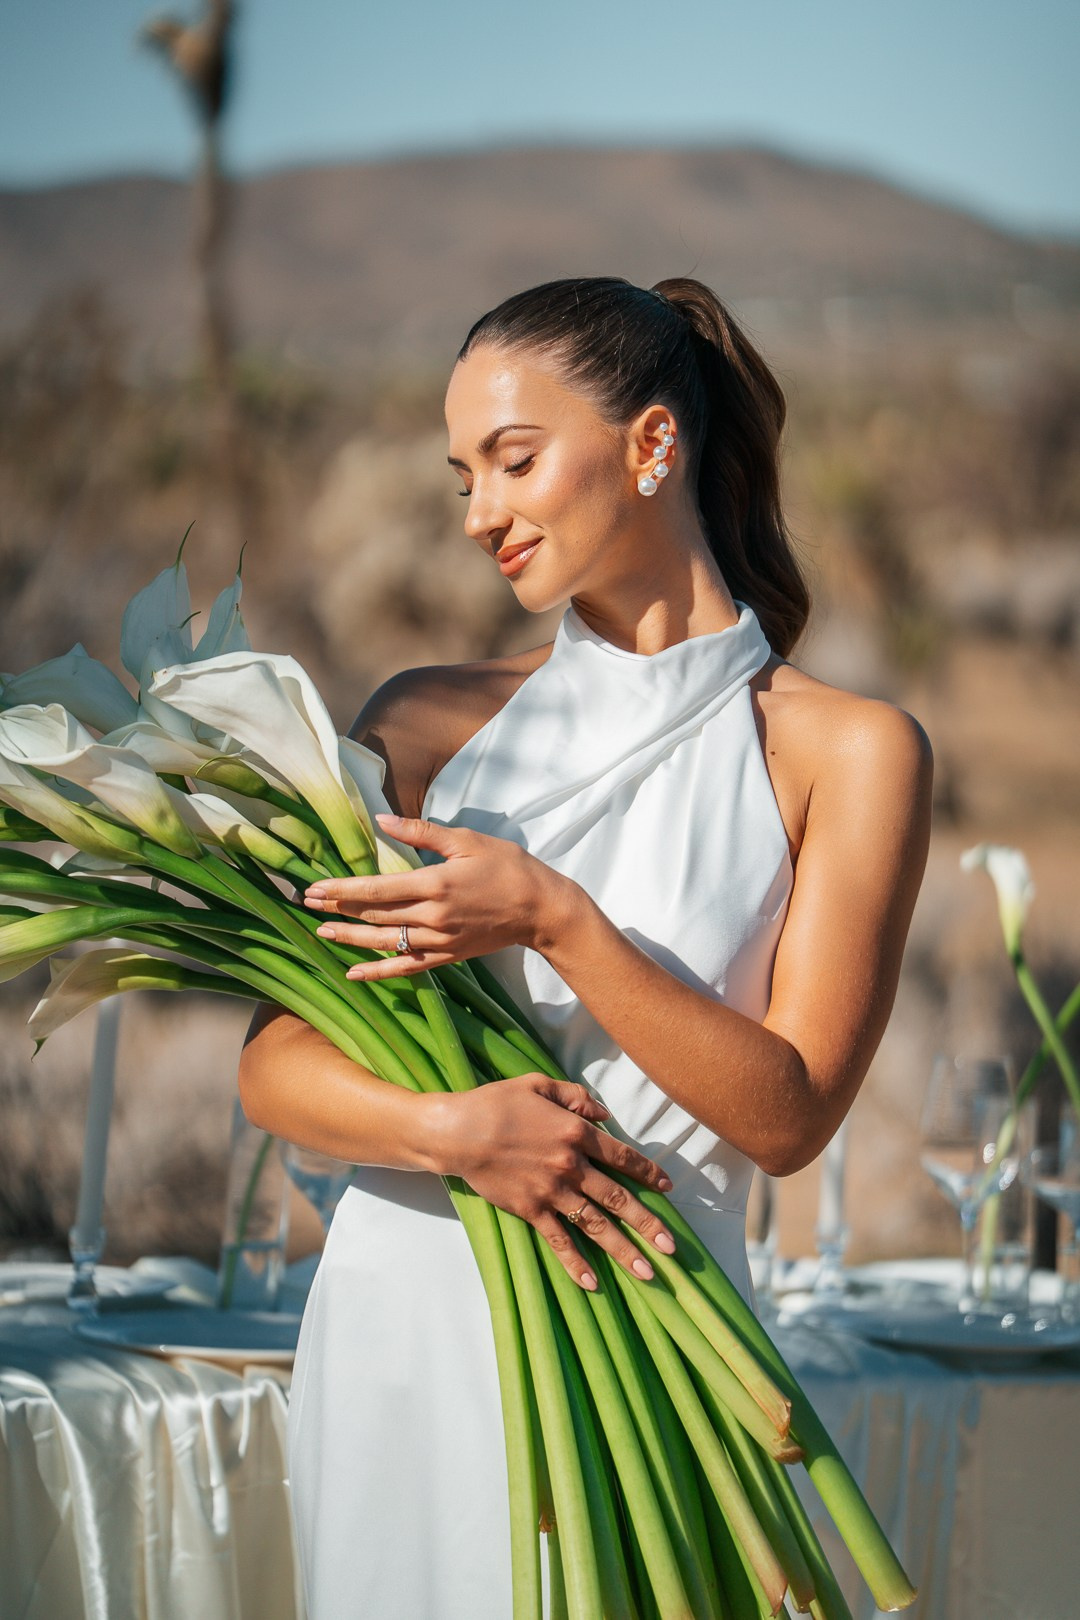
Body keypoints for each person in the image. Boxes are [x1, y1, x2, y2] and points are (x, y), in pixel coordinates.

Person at [237, 275, 933, 1619]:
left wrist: (555, 916)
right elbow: (274, 1066)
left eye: (513, 459)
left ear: (652, 445)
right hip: (408, 1326)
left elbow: (787, 1114)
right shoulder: (427, 724)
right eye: (459, 478)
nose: (478, 513)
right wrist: (455, 1135)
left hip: (665, 1351)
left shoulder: (847, 752)